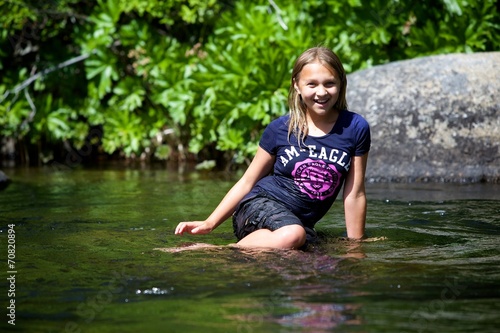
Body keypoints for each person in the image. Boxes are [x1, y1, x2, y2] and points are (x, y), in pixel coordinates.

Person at [175, 46, 371, 250]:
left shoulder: (355, 128)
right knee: (294, 234)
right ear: (297, 85)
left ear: (341, 84)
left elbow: (354, 194)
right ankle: (218, 250)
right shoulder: (281, 129)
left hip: (298, 224)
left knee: (315, 266)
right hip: (258, 207)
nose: (321, 92)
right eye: (311, 84)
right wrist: (210, 223)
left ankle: (262, 246)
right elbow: (247, 181)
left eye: (329, 83)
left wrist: (355, 248)